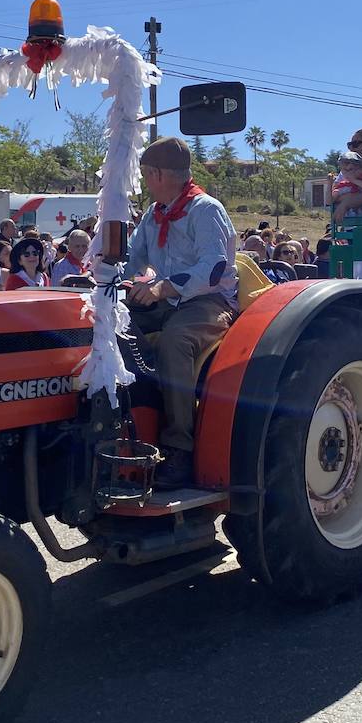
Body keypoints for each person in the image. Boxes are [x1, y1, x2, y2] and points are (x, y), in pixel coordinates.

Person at [123, 137, 238, 487]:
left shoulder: (205, 210)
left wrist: (161, 288)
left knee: (176, 339)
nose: (144, 181)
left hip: (207, 302)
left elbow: (214, 269)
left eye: (145, 174)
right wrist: (102, 276)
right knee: (112, 323)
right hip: (168, 299)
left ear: (158, 173)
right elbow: (134, 258)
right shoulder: (153, 215)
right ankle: (133, 419)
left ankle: (179, 449)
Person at [331, 152, 362, 225]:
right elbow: (332, 197)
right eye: (345, 169)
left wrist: (353, 180)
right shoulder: (342, 182)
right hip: (347, 218)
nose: (348, 172)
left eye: (352, 169)